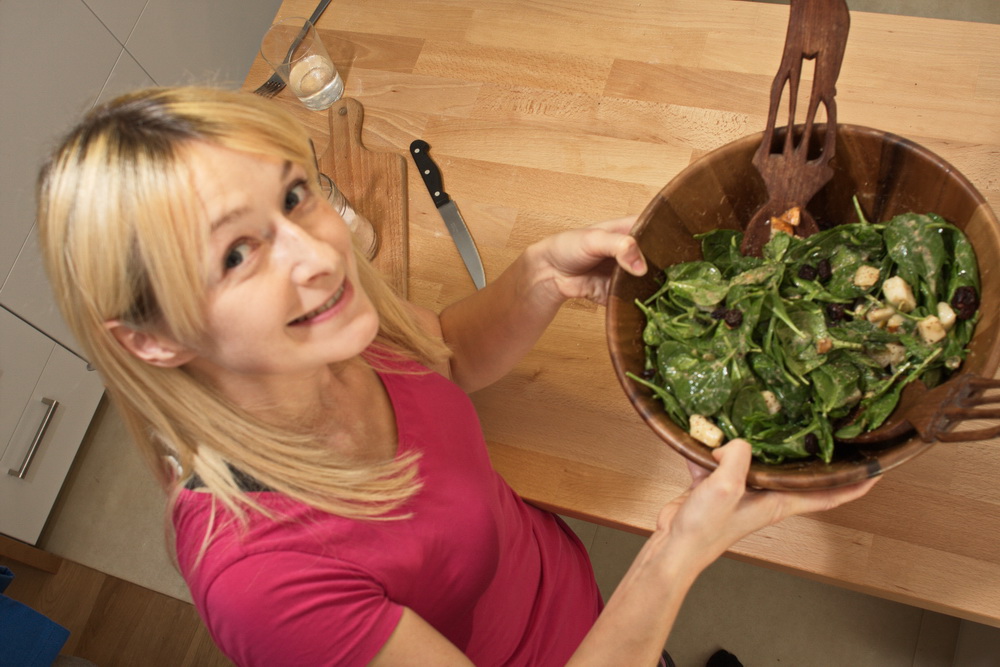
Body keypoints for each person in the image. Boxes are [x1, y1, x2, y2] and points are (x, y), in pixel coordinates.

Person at [36, 86, 877, 667]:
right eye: (234, 253)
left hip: (577, 601)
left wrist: (539, 275)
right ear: (151, 340)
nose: (319, 254)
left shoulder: (327, 330)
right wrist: (676, 554)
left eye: (294, 196)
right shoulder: (265, 583)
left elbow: (440, 353)